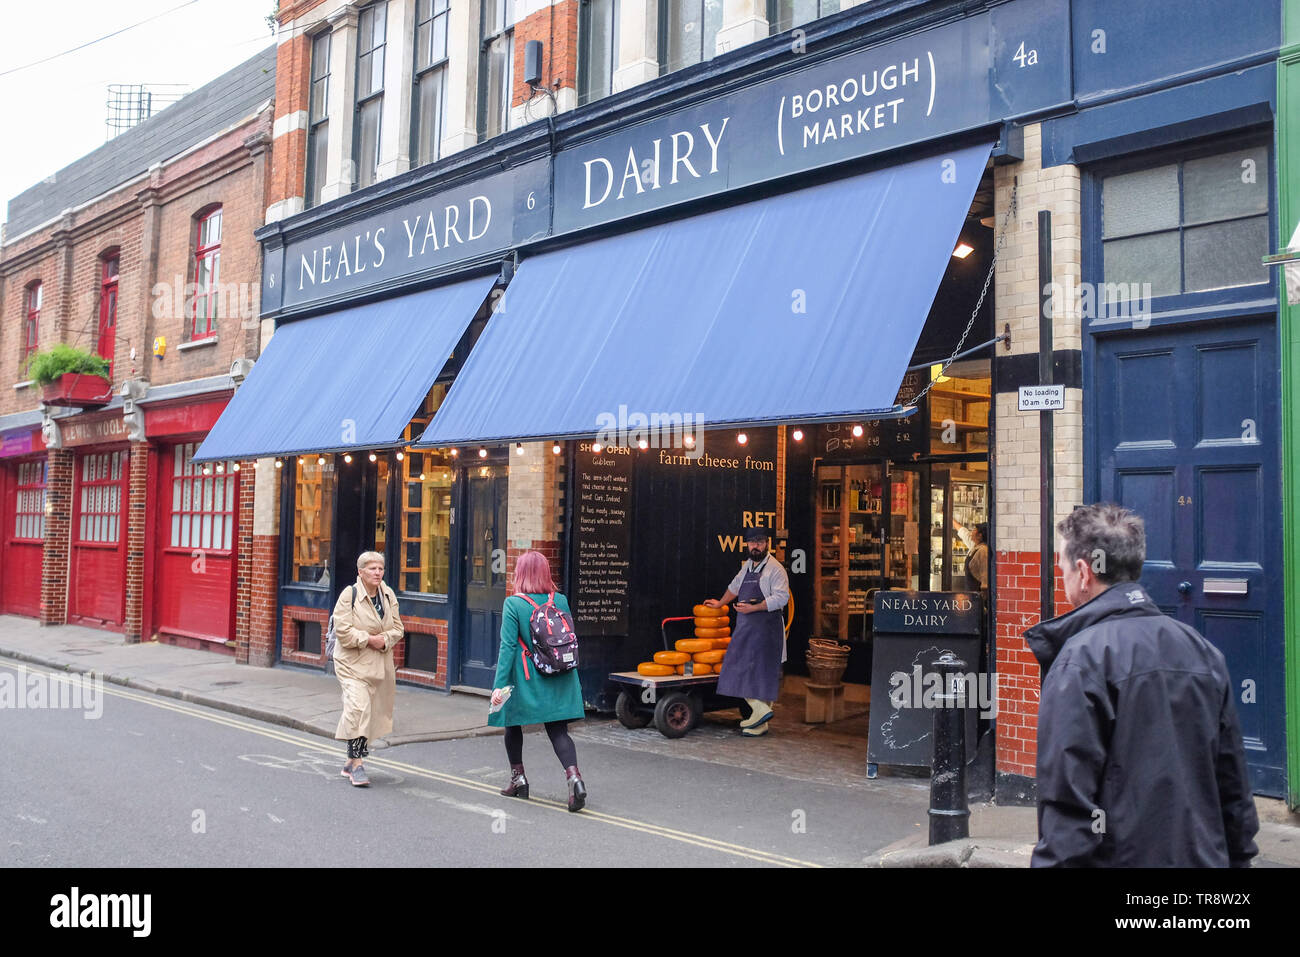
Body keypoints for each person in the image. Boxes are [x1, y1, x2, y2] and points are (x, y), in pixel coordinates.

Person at [1024, 503, 1258, 867]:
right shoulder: (1203, 651)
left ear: (1084, 572)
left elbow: (1068, 809)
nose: (1063, 576)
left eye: (1063, 567)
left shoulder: (1080, 661)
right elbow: (1234, 789)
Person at [489, 550, 588, 811]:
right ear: (546, 572)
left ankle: (519, 779)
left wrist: (499, 686)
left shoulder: (514, 603)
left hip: (527, 675)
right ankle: (574, 778)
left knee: (512, 722)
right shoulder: (562, 600)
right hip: (561, 673)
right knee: (558, 731)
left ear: (520, 573)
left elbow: (508, 647)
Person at [706, 527, 790, 737]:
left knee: (761, 671)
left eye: (760, 542)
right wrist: (719, 604)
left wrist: (755, 607)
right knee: (737, 665)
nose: (756, 546)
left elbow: (782, 598)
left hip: (767, 628)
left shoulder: (775, 569)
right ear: (746, 544)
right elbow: (734, 588)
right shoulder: (748, 567)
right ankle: (760, 718)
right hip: (747, 627)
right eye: (752, 542)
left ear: (767, 543)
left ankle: (761, 714)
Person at [332, 551, 403, 787]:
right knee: (358, 707)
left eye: (380, 568)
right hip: (351, 663)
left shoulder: (388, 594)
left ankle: (349, 762)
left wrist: (385, 639)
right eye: (372, 568)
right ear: (360, 572)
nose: (377, 572)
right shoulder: (348, 595)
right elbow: (343, 631)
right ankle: (358, 765)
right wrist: (369, 640)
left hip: (379, 665)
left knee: (366, 713)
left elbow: (398, 628)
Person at [953, 519, 989, 592]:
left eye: (974, 530)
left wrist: (983, 591)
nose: (971, 532)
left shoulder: (983, 550)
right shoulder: (975, 546)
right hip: (971, 591)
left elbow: (985, 574)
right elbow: (962, 532)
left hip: (977, 592)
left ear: (980, 535)